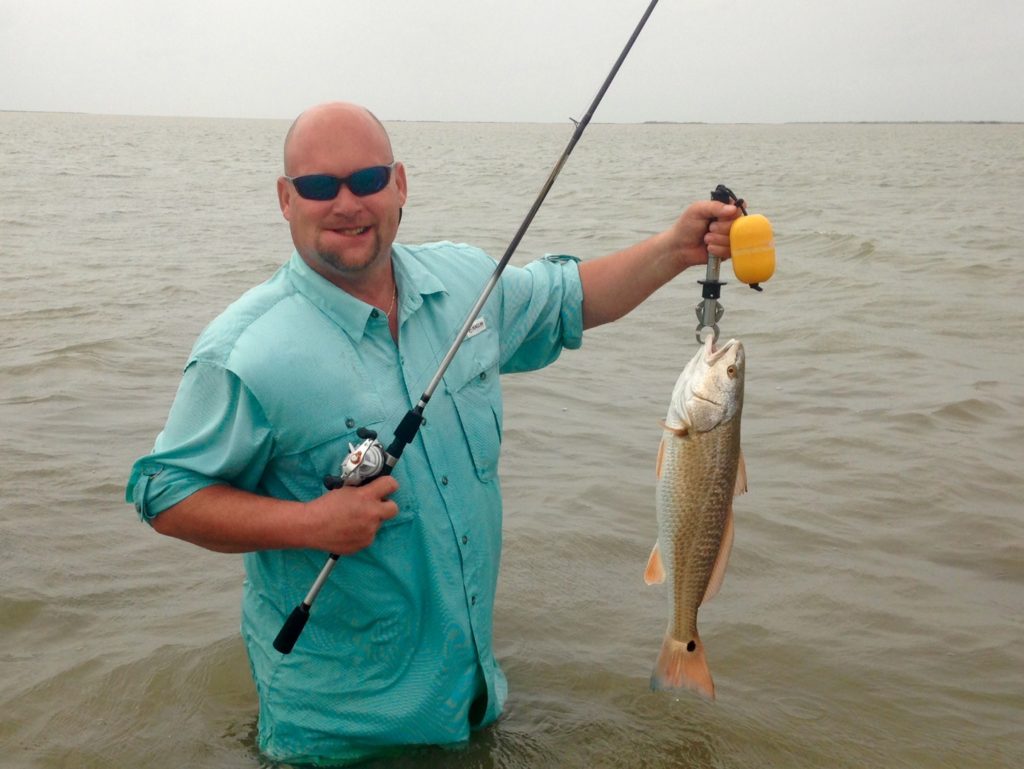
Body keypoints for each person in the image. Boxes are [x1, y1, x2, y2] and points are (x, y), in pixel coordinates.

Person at [126, 101, 739, 765]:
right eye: (318, 185)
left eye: (365, 179)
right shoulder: (246, 352)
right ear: (285, 198)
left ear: (400, 185)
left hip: (474, 702)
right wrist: (309, 523)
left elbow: (570, 298)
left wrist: (677, 249)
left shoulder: (465, 285)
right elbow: (163, 491)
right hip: (341, 738)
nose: (345, 202)